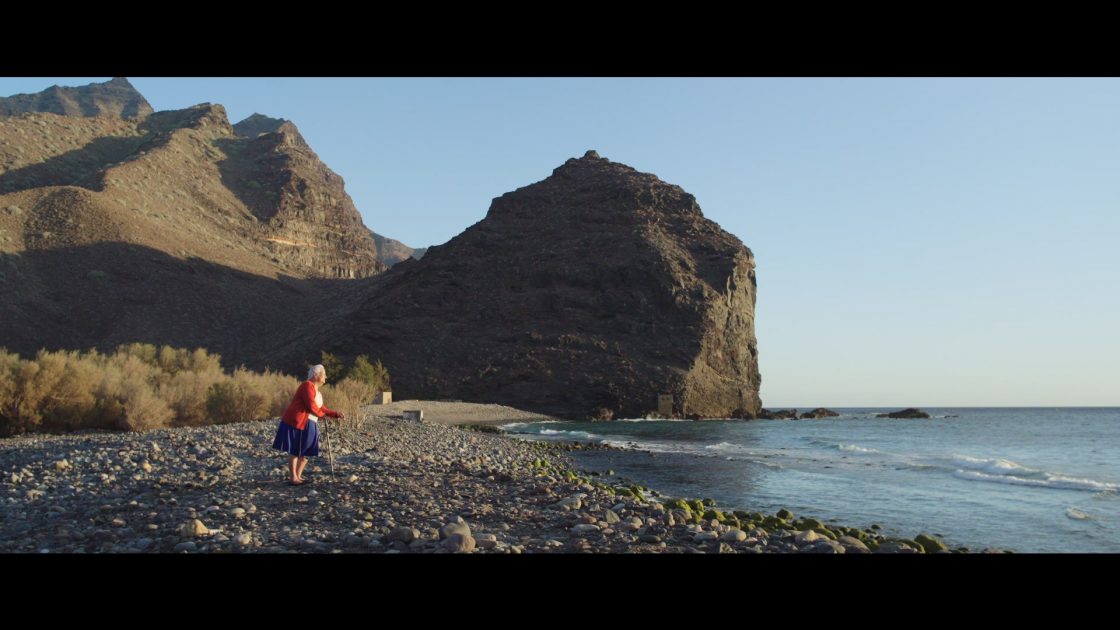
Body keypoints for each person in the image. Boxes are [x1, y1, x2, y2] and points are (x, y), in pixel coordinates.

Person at [273, 364, 345, 485]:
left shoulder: (317, 392)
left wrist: (335, 414)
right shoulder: (307, 385)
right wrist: (323, 416)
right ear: (316, 375)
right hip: (298, 421)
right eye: (324, 374)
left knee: (306, 450)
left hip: (310, 422)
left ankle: (298, 476)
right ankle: (293, 477)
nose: (326, 377)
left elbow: (321, 408)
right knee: (295, 449)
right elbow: (311, 406)